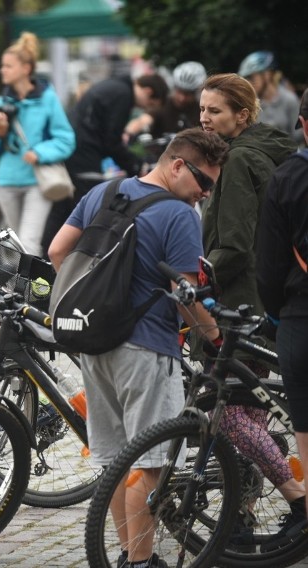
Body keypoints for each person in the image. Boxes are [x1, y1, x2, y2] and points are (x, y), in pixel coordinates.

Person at [48, 129, 229, 568]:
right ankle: (142, 561)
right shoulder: (180, 215)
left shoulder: (104, 192)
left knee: (115, 463)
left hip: (94, 342)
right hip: (147, 346)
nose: (204, 194)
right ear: (177, 165)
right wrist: (215, 337)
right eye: (203, 182)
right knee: (151, 465)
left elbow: (57, 251)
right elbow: (183, 294)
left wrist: (99, 300)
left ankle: (130, 553)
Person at [199, 72, 303, 552]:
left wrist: (196, 277)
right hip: (272, 299)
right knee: (253, 417)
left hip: (242, 304)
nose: (204, 118)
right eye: (201, 110)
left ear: (242, 115)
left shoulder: (241, 159)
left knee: (232, 414)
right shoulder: (272, 149)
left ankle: (297, 502)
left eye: (214, 111)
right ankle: (237, 519)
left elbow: (236, 244)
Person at [256, 88, 308, 549]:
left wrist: (274, 313)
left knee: (306, 426)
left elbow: (269, 266)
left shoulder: (289, 177)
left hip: (301, 316)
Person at [43, 72, 169, 254]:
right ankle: (85, 257)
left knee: (63, 209)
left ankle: (46, 256)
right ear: (148, 92)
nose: (144, 108)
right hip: (85, 157)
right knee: (91, 209)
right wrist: (135, 165)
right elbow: (112, 140)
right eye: (150, 104)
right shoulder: (123, 95)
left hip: (75, 152)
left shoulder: (114, 86)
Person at [0, 31, 75, 257]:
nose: (2, 70)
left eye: (8, 66)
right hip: (7, 182)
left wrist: (40, 152)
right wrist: (0, 133)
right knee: (16, 242)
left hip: (37, 182)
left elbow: (66, 139)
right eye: (2, 66)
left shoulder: (47, 99)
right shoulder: (0, 103)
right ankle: (23, 290)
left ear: (26, 69)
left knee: (29, 241)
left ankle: (29, 292)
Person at [123, 61, 206, 140]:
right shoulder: (162, 104)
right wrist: (128, 133)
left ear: (197, 92)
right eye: (179, 91)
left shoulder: (201, 110)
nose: (182, 98)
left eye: (188, 94)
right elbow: (143, 120)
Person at [238, 50, 302, 143]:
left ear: (266, 74)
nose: (248, 82)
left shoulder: (289, 100)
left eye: (251, 77)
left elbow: (299, 137)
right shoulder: (250, 105)